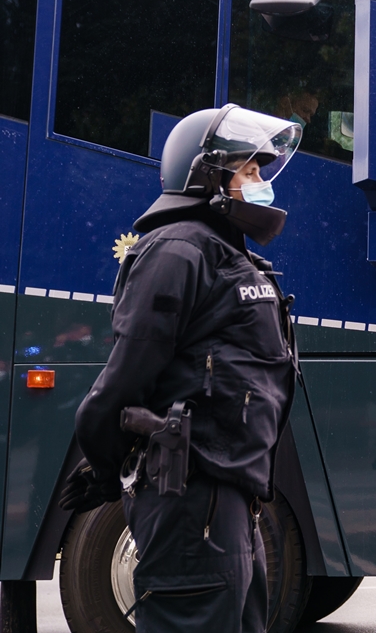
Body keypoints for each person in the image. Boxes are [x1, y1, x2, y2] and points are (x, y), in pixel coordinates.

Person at [62, 105, 303, 631]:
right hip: (193, 501)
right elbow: (126, 377)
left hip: (229, 504)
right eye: (250, 170)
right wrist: (105, 466)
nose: (261, 183)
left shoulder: (225, 255)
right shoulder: (178, 250)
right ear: (206, 174)